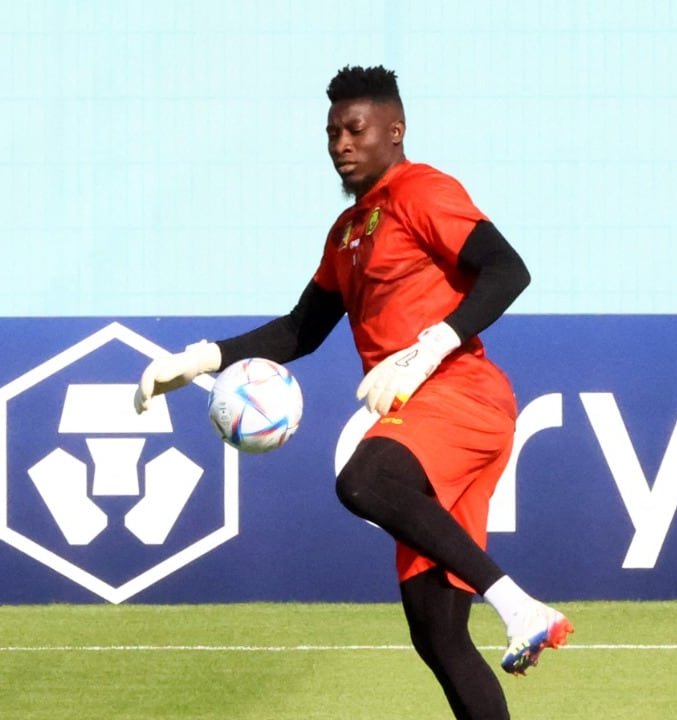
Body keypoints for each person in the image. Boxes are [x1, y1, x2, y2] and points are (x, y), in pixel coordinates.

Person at [134, 65, 571, 720]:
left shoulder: (423, 191)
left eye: (355, 129)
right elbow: (299, 330)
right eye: (332, 131)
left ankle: (519, 605)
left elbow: (509, 270)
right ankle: (511, 613)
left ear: (394, 132)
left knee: (362, 480)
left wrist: (428, 349)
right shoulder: (347, 232)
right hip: (421, 412)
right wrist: (202, 358)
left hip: (460, 394)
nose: (341, 143)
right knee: (437, 635)